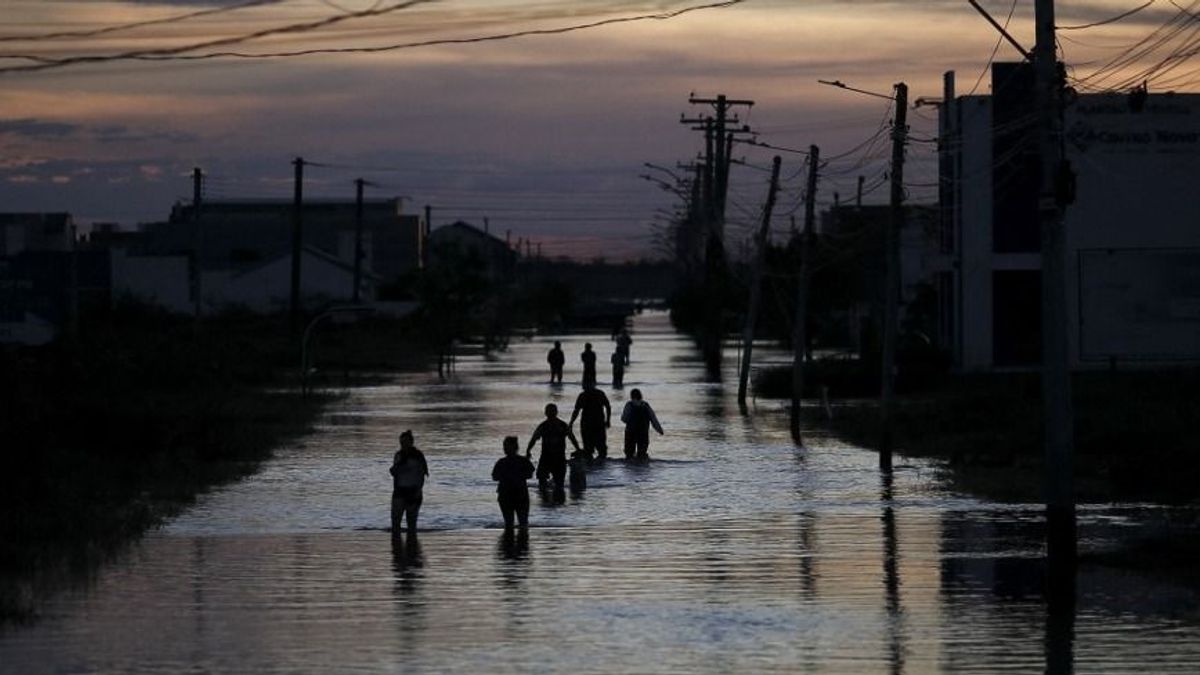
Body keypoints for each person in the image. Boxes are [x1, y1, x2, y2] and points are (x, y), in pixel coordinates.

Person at [526, 403, 581, 501]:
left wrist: (578, 449)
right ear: (546, 413)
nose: (550, 413)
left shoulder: (561, 425)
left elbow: (571, 437)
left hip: (558, 459)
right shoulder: (544, 426)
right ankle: (549, 494)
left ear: (555, 413)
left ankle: (554, 494)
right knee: (543, 483)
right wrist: (528, 450)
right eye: (549, 411)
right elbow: (534, 438)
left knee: (558, 484)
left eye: (552, 411)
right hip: (547, 458)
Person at [492, 436, 535, 530]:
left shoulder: (504, 462)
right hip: (511, 494)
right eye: (504, 446)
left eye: (506, 446)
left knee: (518, 524)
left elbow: (495, 477)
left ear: (514, 447)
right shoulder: (504, 462)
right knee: (514, 523)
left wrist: (510, 476)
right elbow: (495, 477)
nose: (504, 449)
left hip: (517, 494)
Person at [390, 430, 429, 534]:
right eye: (402, 442)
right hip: (399, 491)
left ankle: (412, 547)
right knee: (395, 523)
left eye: (406, 442)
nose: (403, 445)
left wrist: (418, 491)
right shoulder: (398, 455)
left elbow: (422, 476)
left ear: (411, 442)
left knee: (411, 524)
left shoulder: (418, 456)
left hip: (414, 491)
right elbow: (394, 474)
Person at [569, 381, 611, 462]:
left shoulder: (584, 395)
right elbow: (608, 406)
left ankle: (592, 465)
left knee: (591, 448)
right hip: (596, 423)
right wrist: (608, 420)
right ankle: (600, 466)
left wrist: (571, 422)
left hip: (590, 424)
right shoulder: (598, 394)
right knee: (599, 447)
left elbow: (577, 410)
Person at [621, 388, 663, 462]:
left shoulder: (629, 405)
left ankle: (630, 469)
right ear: (640, 395)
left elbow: (624, 419)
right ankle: (642, 469)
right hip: (643, 432)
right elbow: (653, 419)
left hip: (630, 432)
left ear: (631, 396)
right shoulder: (645, 405)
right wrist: (659, 430)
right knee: (642, 454)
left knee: (629, 454)